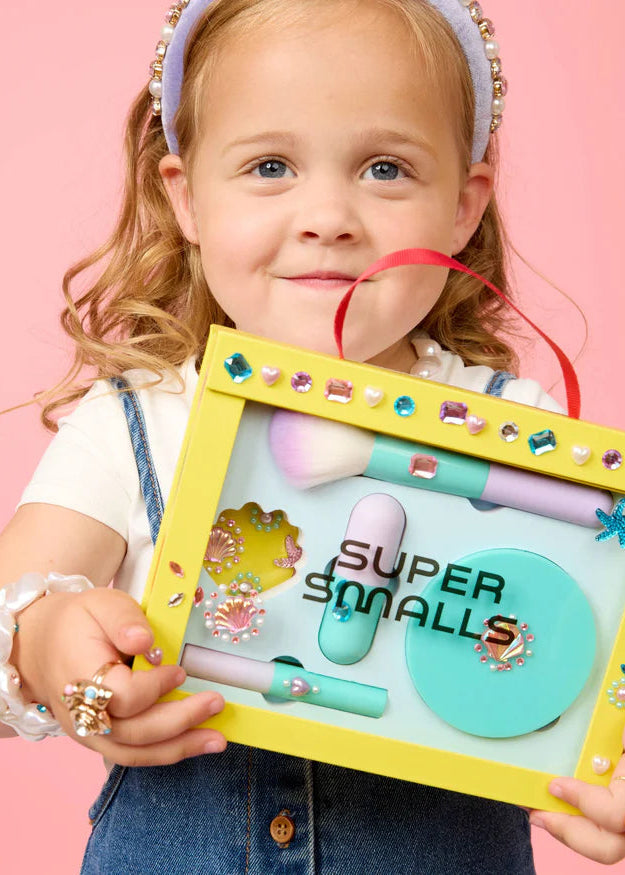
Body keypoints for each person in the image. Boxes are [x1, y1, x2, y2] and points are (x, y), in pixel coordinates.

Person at [1, 0, 624, 870]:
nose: (327, 214)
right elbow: (11, 602)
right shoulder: (135, 420)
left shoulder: (522, 435)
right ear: (185, 198)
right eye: (269, 165)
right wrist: (51, 640)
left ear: (461, 206)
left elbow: (594, 632)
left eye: (383, 167)